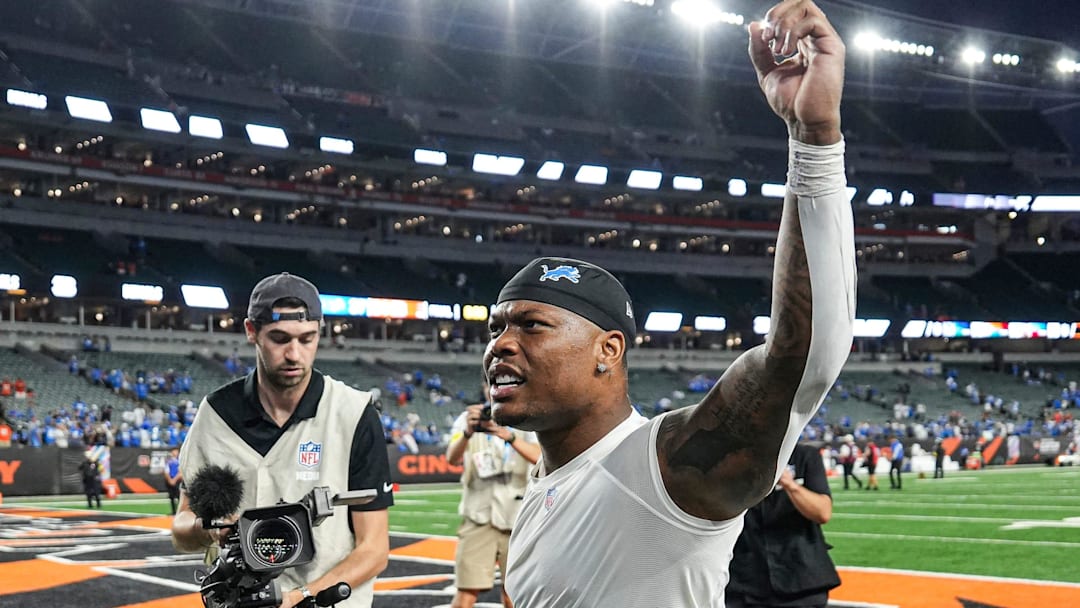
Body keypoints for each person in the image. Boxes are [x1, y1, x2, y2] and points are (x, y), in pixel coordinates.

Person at [489, 3, 854, 605]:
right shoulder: (546, 481)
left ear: (609, 350)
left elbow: (803, 356)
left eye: (531, 325)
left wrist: (813, 141)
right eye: (498, 326)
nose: (500, 344)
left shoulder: (665, 469)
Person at [171, 273, 394, 608]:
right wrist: (211, 529)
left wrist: (300, 597)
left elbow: (374, 549)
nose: (294, 354)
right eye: (280, 339)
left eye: (307, 339)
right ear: (251, 331)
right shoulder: (216, 414)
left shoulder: (354, 412)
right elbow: (182, 527)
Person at [446, 390, 540, 608]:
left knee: (514, 595)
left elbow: (540, 457)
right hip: (479, 515)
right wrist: (468, 432)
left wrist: (510, 436)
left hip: (516, 518)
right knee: (465, 594)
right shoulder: (466, 418)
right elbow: (452, 458)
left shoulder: (527, 417)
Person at [726, 442, 841, 608]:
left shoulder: (805, 456)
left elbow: (822, 513)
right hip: (744, 579)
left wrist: (789, 484)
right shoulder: (730, 459)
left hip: (800, 578)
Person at [163, 447, 182, 514]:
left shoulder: (181, 460)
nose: (175, 453)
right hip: (170, 480)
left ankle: (180, 511)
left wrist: (175, 479)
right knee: (171, 496)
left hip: (177, 480)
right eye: (174, 451)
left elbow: (181, 472)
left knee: (179, 496)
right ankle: (173, 511)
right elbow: (166, 471)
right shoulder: (168, 461)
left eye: (176, 451)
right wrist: (170, 480)